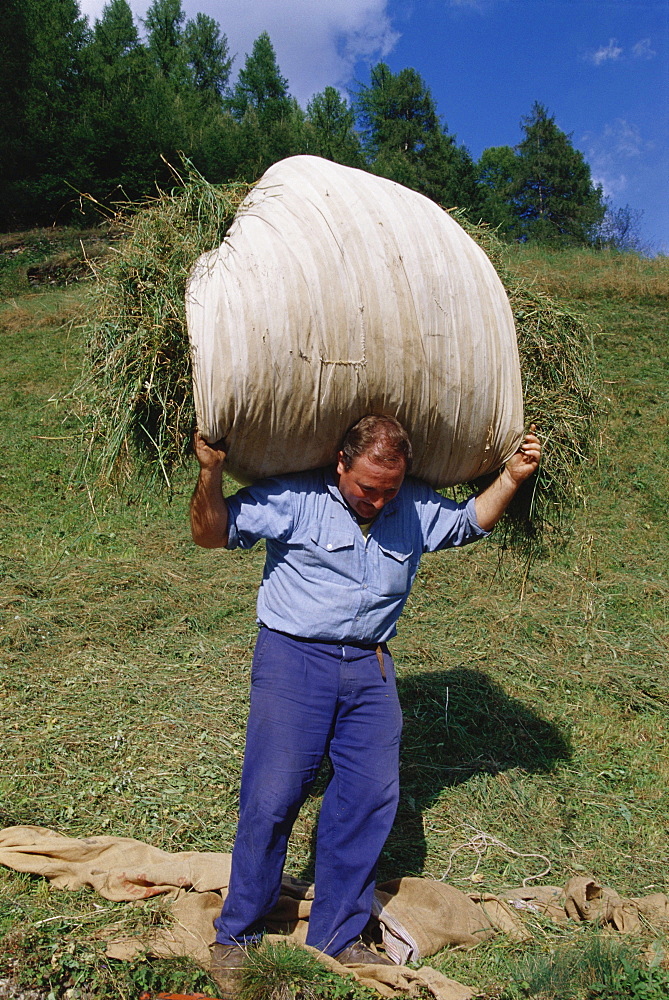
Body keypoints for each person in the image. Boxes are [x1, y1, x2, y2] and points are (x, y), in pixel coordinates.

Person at [190, 415, 541, 994]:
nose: (377, 500)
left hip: (371, 668)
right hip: (293, 661)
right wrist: (209, 475)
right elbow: (211, 531)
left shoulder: (411, 507)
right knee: (273, 796)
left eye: (389, 490)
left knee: (370, 797)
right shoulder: (297, 499)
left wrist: (513, 475)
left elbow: (469, 521)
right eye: (366, 487)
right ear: (340, 464)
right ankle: (237, 935)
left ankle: (335, 936)